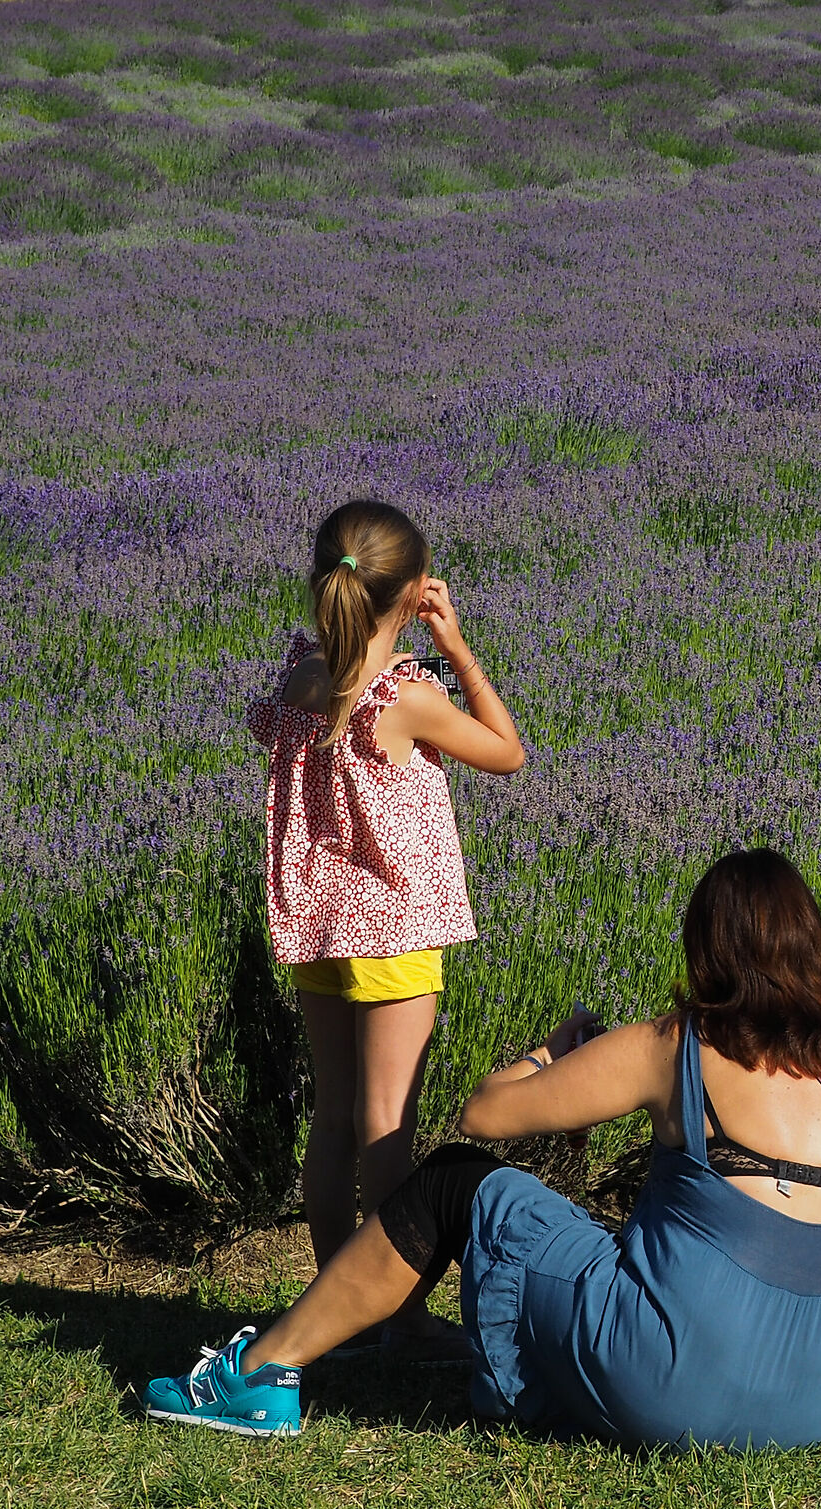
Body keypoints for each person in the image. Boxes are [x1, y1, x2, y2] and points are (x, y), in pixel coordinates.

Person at [142, 848, 821, 1446]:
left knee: (457, 1186)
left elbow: (484, 1117)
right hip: (813, 1400)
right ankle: (345, 1352)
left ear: (706, 951)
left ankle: (260, 1375)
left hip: (669, 1380)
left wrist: (554, 1051)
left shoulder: (681, 1043)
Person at [247, 499, 526, 1352]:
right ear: (411, 594)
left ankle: (333, 1312)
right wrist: (457, 649)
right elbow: (507, 750)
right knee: (385, 1125)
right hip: (393, 931)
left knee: (333, 1120)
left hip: (318, 929)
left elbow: (270, 733)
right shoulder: (404, 697)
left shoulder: (298, 679)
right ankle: (391, 1317)